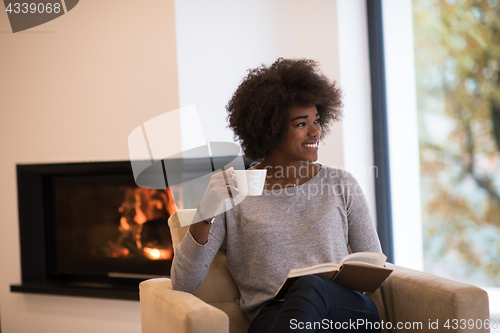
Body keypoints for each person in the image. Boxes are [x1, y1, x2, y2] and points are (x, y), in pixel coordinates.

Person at [171, 58, 382, 332]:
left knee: (310, 287)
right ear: (270, 130)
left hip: (346, 312)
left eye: (317, 121)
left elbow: (375, 265)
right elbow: (183, 282)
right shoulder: (235, 191)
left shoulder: (340, 183)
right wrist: (205, 213)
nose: (316, 131)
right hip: (274, 316)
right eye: (301, 124)